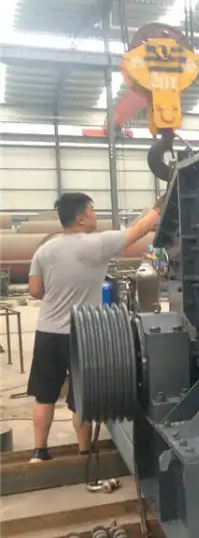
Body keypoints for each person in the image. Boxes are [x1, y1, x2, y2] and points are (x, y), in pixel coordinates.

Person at [26, 192, 164, 463]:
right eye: (92, 210)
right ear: (80, 218)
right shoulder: (98, 244)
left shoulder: (44, 249)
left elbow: (35, 291)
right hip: (82, 334)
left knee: (44, 396)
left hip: (47, 332)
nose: (95, 214)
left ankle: (39, 451)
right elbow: (139, 230)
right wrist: (159, 207)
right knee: (82, 396)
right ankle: (84, 453)